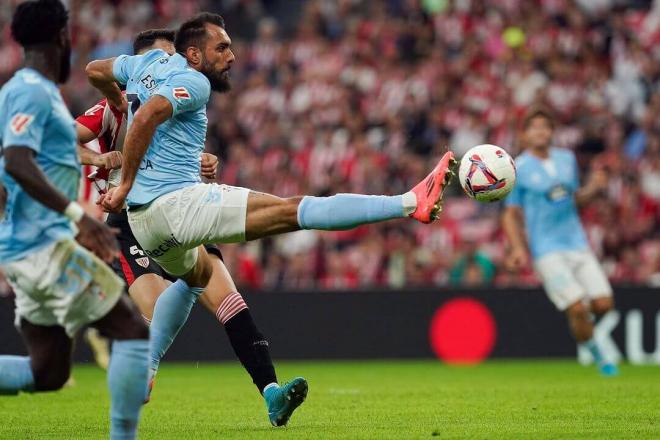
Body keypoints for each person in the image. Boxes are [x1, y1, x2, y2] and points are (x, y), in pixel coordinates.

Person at [86, 12, 455, 425]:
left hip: (146, 223)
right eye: (221, 47)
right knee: (294, 211)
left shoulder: (140, 66)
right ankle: (409, 202)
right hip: (175, 205)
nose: (232, 55)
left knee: (198, 278)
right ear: (193, 54)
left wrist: (118, 101)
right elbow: (151, 115)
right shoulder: (194, 80)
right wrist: (125, 179)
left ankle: (149, 368)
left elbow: (95, 70)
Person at [78, 28, 302, 425]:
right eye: (164, 58)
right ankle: (136, 378)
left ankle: (272, 393)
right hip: (131, 221)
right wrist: (100, 160)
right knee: (157, 306)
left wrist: (205, 160)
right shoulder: (114, 108)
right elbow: (60, 138)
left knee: (229, 300)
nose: (173, 66)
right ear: (138, 68)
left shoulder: (178, 97)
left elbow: (176, 152)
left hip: (181, 208)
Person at [0, 1, 149, 439]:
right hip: (43, 247)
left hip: (24, 250)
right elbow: (16, 159)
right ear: (63, 37)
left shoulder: (18, 92)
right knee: (132, 332)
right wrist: (75, 216)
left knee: (46, 372)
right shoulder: (30, 90)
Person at [502, 108, 618, 376]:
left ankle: (582, 326)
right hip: (546, 249)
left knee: (603, 305)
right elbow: (511, 213)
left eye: (545, 126)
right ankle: (598, 355)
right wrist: (519, 248)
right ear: (525, 134)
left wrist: (594, 188)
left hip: (577, 242)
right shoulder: (516, 168)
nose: (541, 131)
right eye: (535, 127)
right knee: (577, 307)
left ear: (552, 132)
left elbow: (574, 199)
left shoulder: (566, 159)